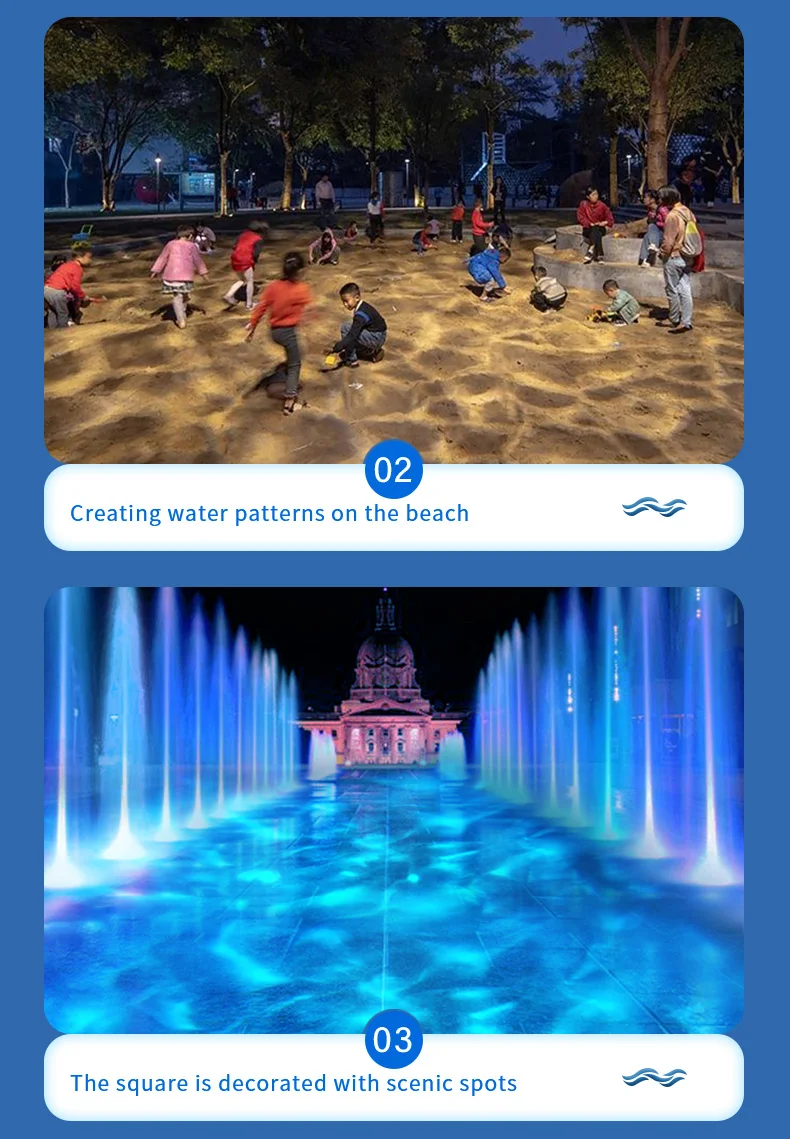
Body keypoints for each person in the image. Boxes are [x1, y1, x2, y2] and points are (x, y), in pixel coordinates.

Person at [244, 251, 312, 416]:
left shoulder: (273, 286)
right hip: (288, 332)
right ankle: (289, 403)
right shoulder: (301, 289)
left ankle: (283, 379)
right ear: (300, 271)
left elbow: (261, 307)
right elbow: (309, 310)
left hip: (274, 332)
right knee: (295, 364)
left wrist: (252, 326)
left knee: (292, 356)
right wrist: (308, 318)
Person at [150, 226, 208, 329]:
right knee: (179, 297)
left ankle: (182, 315)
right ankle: (181, 320)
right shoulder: (191, 246)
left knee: (182, 296)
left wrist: (155, 271)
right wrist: (203, 273)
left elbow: (162, 258)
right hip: (184, 277)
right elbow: (197, 260)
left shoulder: (170, 244)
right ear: (190, 236)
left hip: (172, 276)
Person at [657, 184, 696, 334]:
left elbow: (668, 241)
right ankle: (686, 321)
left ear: (668, 198)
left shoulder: (672, 216)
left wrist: (661, 253)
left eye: (661, 198)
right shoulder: (688, 212)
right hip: (688, 255)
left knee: (672, 289)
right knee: (685, 289)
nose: (660, 201)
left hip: (674, 256)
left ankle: (674, 318)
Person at [44, 246, 104, 329]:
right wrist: (83, 296)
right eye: (89, 257)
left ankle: (53, 332)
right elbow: (75, 286)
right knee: (63, 314)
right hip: (57, 291)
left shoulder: (67, 265)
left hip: (46, 289)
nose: (90, 260)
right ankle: (63, 333)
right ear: (79, 257)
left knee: (53, 312)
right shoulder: (77, 268)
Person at [331, 282, 387, 366]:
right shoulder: (363, 307)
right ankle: (374, 352)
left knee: (346, 328)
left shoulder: (360, 315)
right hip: (379, 334)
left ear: (357, 298)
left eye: (347, 301)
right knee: (351, 331)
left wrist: (340, 346)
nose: (345, 304)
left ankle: (352, 360)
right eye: (343, 302)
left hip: (377, 337)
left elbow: (352, 335)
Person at [223, 219, 269, 310]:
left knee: (242, 280)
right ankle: (249, 304)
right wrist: (253, 263)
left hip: (235, 258)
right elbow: (255, 254)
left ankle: (228, 296)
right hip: (246, 259)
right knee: (249, 281)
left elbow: (234, 246)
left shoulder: (243, 235)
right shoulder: (258, 239)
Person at [577, 187, 614, 263]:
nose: (595, 196)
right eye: (593, 195)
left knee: (596, 229)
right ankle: (600, 255)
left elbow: (610, 220)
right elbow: (581, 218)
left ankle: (591, 249)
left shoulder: (602, 206)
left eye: (596, 194)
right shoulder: (583, 204)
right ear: (588, 196)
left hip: (600, 228)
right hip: (588, 228)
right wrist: (589, 223)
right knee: (596, 231)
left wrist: (605, 222)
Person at [637, 190, 668, 266]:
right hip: (655, 234)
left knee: (652, 225)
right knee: (646, 235)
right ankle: (644, 259)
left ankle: (652, 248)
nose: (643, 199)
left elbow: (668, 224)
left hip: (665, 233)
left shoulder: (662, 209)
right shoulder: (650, 210)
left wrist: (656, 223)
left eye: (645, 197)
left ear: (652, 200)